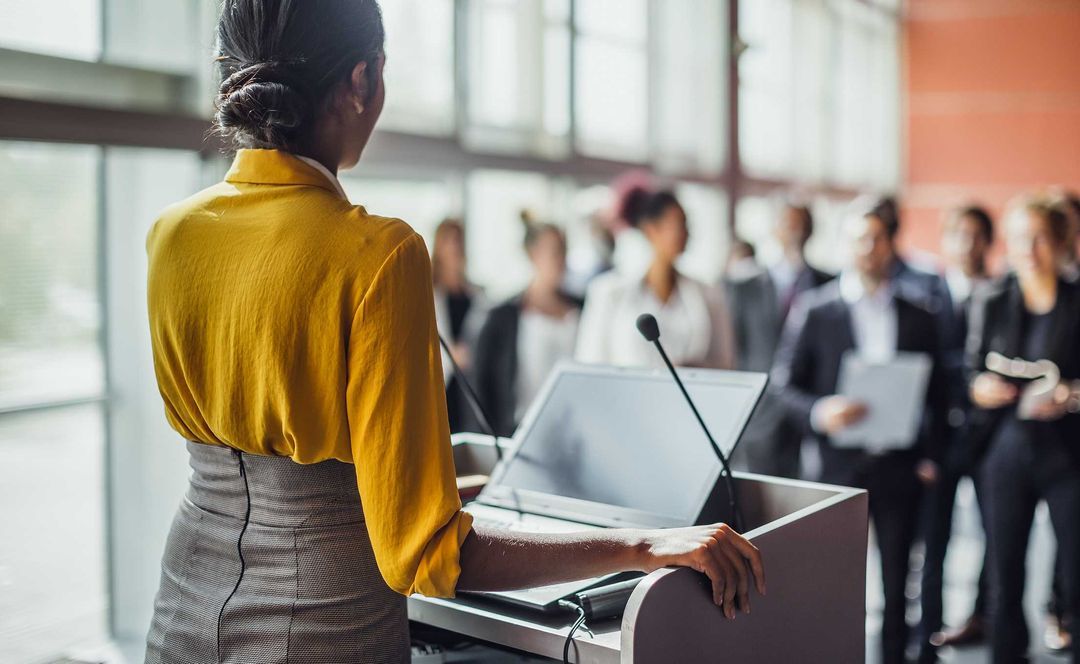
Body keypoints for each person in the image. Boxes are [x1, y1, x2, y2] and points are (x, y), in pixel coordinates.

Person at [142, 3, 765, 662]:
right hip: (320, 626)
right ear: (364, 80)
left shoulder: (172, 233)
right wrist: (643, 547)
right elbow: (426, 556)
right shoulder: (378, 253)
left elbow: (267, 446)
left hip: (185, 604)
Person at [772, 205, 946, 664]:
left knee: (897, 583)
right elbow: (783, 386)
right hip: (837, 467)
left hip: (898, 465)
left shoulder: (919, 314)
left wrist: (931, 455)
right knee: (833, 585)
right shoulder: (815, 310)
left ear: (891, 244)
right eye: (858, 239)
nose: (867, 248)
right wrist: (819, 411)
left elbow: (939, 393)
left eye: (876, 239)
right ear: (844, 246)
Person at [968, 195, 1080, 663]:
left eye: (1037, 238)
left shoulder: (1077, 300)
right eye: (1017, 238)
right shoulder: (993, 297)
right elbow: (969, 373)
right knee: (1004, 575)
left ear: (1059, 242)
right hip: (1006, 449)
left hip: (1069, 452)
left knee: (1077, 576)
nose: (1027, 249)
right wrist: (981, 388)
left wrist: (1071, 395)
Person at [916, 205, 996, 661]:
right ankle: (928, 630)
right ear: (946, 241)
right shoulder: (927, 293)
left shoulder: (1003, 291)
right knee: (935, 538)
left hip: (986, 436)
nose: (966, 244)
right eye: (958, 235)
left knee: (996, 534)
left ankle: (982, 616)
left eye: (975, 235)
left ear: (988, 242)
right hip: (939, 439)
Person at [726, 203, 832, 478]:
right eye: (787, 224)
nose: (794, 232)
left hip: (809, 406)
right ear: (774, 230)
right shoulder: (744, 285)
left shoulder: (828, 284)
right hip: (761, 412)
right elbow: (735, 349)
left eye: (800, 225)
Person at [576, 187, 735, 370]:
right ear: (651, 229)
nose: (686, 233)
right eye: (678, 225)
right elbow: (590, 365)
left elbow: (726, 362)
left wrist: (697, 369)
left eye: (687, 225)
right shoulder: (609, 292)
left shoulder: (708, 294)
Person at [473, 216, 583, 437]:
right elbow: (482, 387)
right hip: (522, 431)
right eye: (554, 251)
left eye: (564, 250)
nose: (561, 259)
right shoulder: (502, 317)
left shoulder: (584, 308)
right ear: (533, 256)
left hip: (577, 429)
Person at [431, 218, 489, 433]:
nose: (456, 247)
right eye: (450, 241)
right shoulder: (428, 292)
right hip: (442, 386)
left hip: (469, 386)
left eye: (459, 240)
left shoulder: (478, 294)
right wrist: (451, 357)